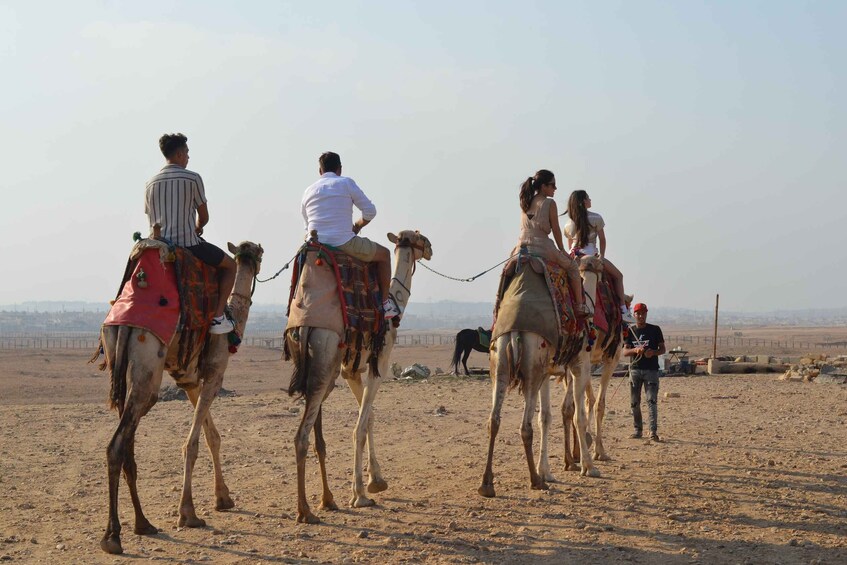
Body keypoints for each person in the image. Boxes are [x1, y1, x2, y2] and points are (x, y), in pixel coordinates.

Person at [145, 133, 236, 334]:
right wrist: (197, 226)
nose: (188, 157)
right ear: (178, 154)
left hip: (156, 247)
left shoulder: (150, 183)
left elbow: (150, 218)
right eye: (186, 153)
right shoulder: (192, 178)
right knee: (231, 266)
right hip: (187, 243)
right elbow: (204, 217)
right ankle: (219, 317)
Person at [301, 151, 399, 319]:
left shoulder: (308, 190)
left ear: (320, 171)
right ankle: (385, 304)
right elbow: (370, 211)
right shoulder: (346, 183)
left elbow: (307, 225)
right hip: (343, 242)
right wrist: (357, 226)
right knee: (385, 255)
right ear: (340, 169)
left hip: (314, 245)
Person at [513, 170, 588, 316]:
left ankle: (498, 304)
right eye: (552, 185)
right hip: (542, 246)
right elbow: (555, 229)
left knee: (507, 272)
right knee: (572, 267)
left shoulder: (525, 201)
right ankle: (580, 307)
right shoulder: (549, 203)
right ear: (543, 186)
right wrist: (562, 250)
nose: (555, 188)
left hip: (521, 247)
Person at [564, 189, 635, 324]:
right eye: (588, 198)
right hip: (591, 255)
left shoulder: (568, 224)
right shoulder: (596, 218)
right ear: (583, 202)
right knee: (618, 276)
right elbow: (602, 239)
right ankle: (624, 310)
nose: (590, 200)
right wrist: (601, 256)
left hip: (574, 258)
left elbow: (570, 247)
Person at [622, 303, 666, 441]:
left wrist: (653, 353)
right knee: (634, 402)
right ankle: (638, 430)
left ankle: (652, 431)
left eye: (643, 313)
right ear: (634, 315)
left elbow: (663, 349)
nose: (640, 316)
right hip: (635, 370)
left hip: (651, 370)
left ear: (646, 314)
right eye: (638, 314)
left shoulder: (655, 330)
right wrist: (635, 351)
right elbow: (625, 351)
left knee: (651, 401)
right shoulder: (630, 331)